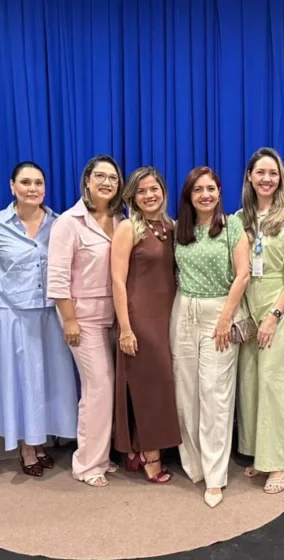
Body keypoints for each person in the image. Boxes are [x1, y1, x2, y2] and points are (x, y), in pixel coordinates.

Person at [0, 161, 79, 476]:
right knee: (21, 380)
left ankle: (41, 441)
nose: (32, 188)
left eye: (38, 183)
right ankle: (26, 447)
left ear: (45, 188)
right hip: (13, 315)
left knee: (47, 380)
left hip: (50, 313)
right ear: (12, 186)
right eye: (25, 182)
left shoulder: (59, 224)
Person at [172, 166, 250, 508]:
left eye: (211, 189)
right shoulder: (180, 230)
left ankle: (215, 476)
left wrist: (225, 319)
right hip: (183, 312)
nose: (205, 195)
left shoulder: (233, 226)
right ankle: (195, 465)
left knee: (215, 395)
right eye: (198, 190)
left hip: (219, 312)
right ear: (189, 196)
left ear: (219, 192)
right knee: (186, 393)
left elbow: (243, 274)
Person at [235, 147, 284, 494]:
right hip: (249, 305)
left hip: (281, 305)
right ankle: (258, 453)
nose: (266, 179)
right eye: (260, 172)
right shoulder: (239, 219)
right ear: (250, 177)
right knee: (250, 380)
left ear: (280, 179)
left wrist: (273, 316)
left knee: (271, 381)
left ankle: (278, 462)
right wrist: (246, 314)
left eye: (273, 173)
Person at [47, 154, 124, 488]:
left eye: (113, 178)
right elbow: (57, 277)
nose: (107, 182)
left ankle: (101, 456)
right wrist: (69, 320)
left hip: (115, 317)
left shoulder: (121, 220)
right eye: (100, 176)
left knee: (109, 387)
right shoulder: (68, 223)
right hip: (83, 319)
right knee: (98, 387)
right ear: (88, 181)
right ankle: (88, 464)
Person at [111, 166, 181, 483]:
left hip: (169, 314)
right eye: (141, 191)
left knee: (163, 385)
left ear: (163, 192)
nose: (149, 195)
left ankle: (143, 447)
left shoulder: (171, 226)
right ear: (132, 197)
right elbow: (117, 280)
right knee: (150, 387)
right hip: (140, 316)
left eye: (154, 189)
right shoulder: (128, 228)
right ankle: (150, 455)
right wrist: (125, 328)